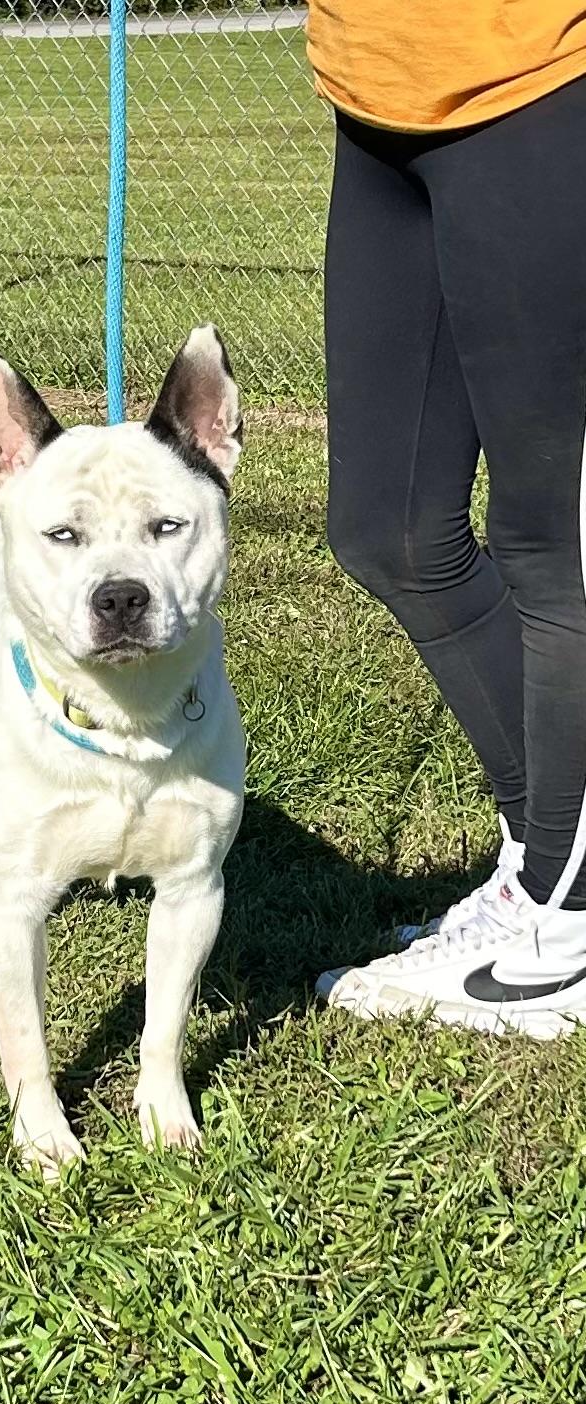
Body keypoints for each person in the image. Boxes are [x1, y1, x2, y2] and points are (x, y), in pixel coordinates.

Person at [306, 2, 586, 1036]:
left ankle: (568, 927)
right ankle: (539, 855)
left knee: (554, 539)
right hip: (375, 91)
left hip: (543, 82)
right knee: (391, 530)